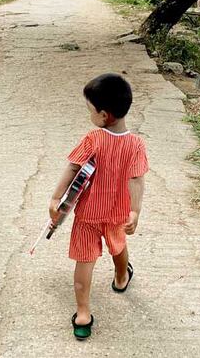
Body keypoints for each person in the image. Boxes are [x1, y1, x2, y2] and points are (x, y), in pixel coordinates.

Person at [48, 74, 148, 340]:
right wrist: (134, 211)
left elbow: (73, 167)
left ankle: (83, 314)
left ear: (105, 116)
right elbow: (136, 180)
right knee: (119, 247)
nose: (89, 116)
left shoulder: (93, 139)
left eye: (90, 111)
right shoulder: (136, 144)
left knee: (84, 260)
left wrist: (56, 199)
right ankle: (120, 279)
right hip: (117, 214)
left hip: (88, 214)